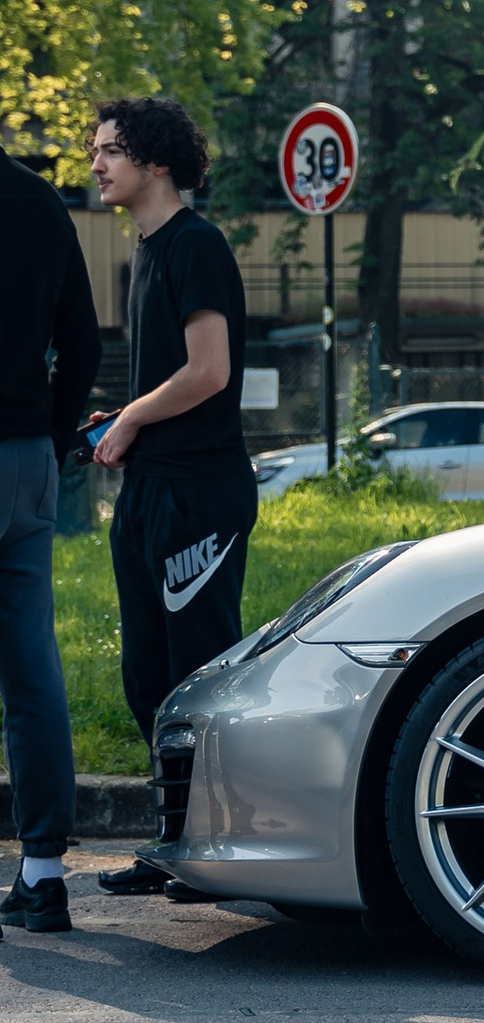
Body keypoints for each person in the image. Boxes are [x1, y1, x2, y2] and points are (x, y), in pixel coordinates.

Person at [86, 99, 256, 899]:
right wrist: (123, 423)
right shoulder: (145, 254)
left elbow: (209, 371)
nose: (96, 164)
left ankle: (217, 848)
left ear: (156, 161)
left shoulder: (196, 244)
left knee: (201, 674)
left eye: (111, 151)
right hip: (148, 489)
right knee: (149, 676)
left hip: (200, 494)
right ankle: (174, 842)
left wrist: (131, 416)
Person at [0, 150, 103, 935]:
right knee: (32, 665)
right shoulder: (40, 203)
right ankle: (42, 876)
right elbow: (83, 343)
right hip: (27, 456)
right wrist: (54, 435)